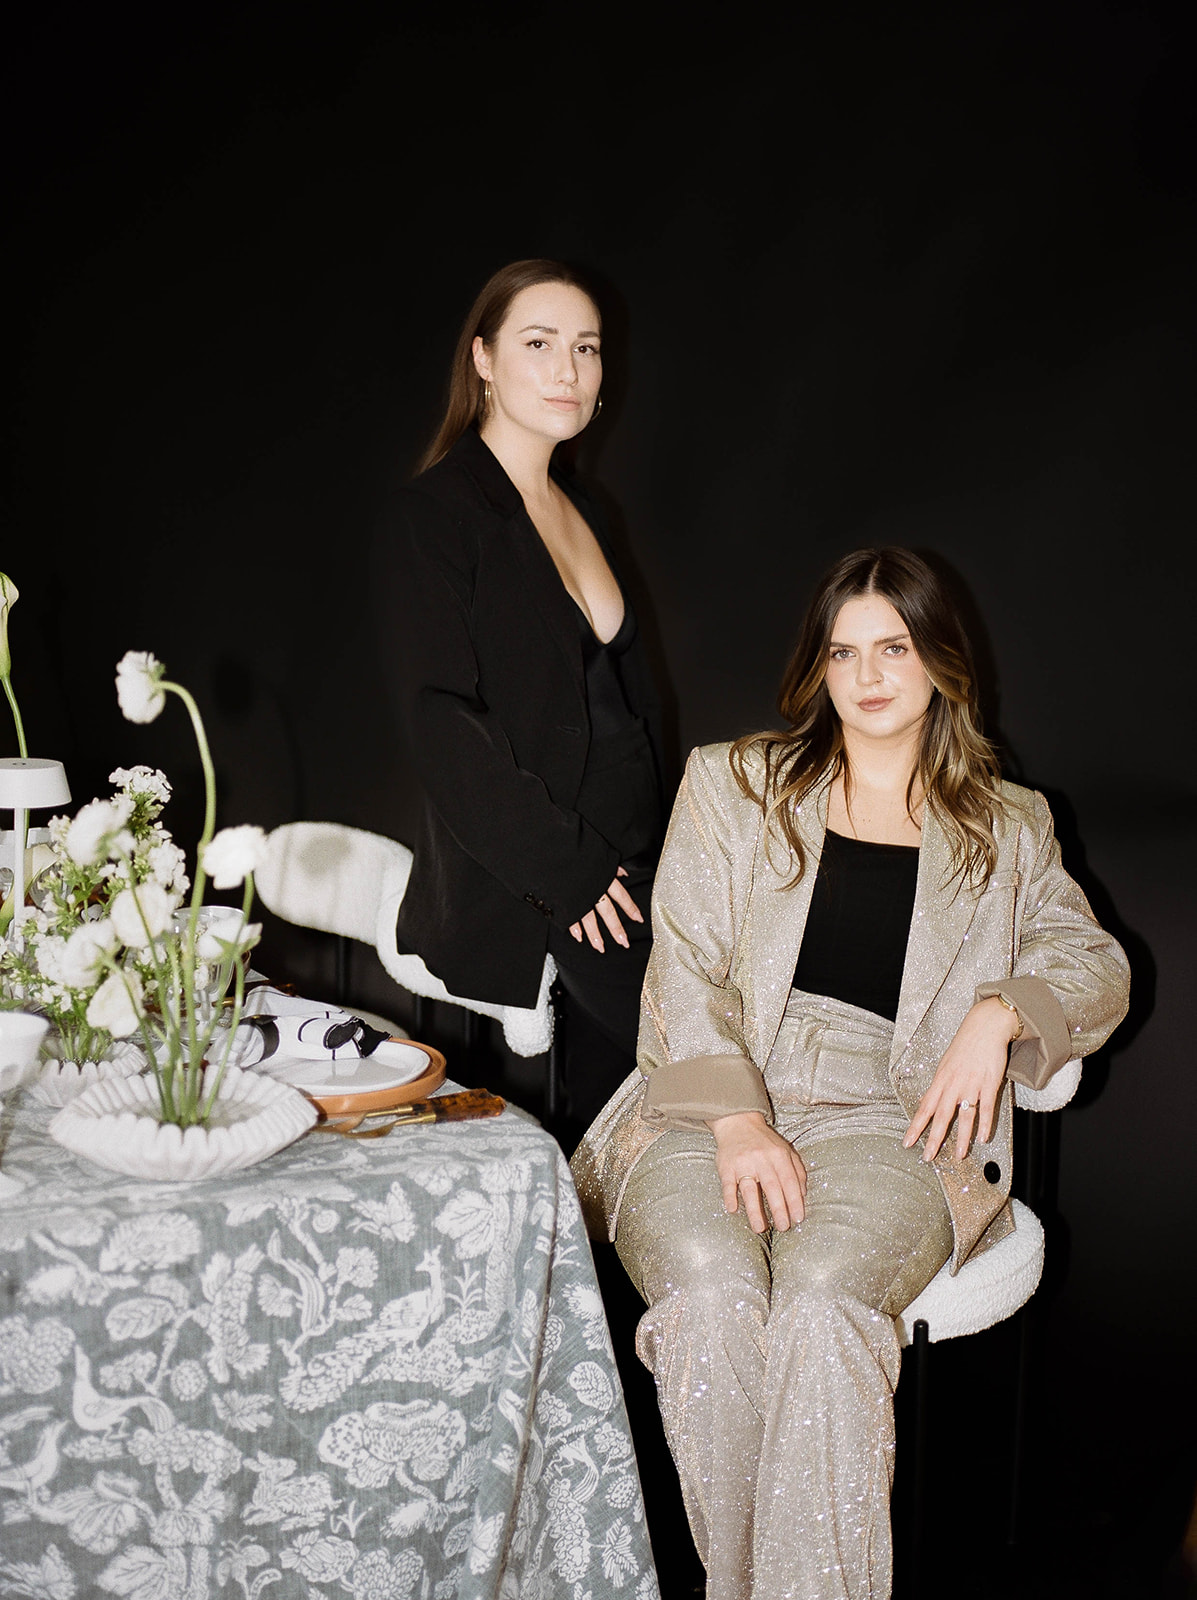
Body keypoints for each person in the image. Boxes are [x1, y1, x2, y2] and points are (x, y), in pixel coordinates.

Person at [570, 546, 1130, 1600]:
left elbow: (1098, 967)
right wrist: (740, 1120)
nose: (869, 674)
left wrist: (1002, 1010)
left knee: (825, 1305)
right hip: (711, 1095)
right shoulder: (732, 784)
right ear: (818, 668)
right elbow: (681, 965)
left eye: (896, 647)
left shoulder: (1009, 827)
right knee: (712, 1291)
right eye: (844, 651)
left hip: (898, 1116)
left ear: (940, 664)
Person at [372, 259, 666, 1145]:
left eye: (586, 348)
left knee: (647, 1118)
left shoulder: (588, 509)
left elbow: (624, 707)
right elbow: (439, 723)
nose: (567, 369)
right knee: (682, 1081)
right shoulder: (433, 516)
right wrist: (568, 871)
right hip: (547, 875)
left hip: (646, 860)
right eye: (538, 344)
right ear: (484, 360)